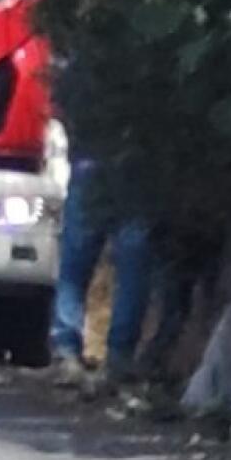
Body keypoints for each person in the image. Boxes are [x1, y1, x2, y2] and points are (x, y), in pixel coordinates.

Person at [49, 156, 153, 387]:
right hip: (139, 168)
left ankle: (66, 351)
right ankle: (119, 357)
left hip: (91, 160)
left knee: (74, 268)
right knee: (132, 271)